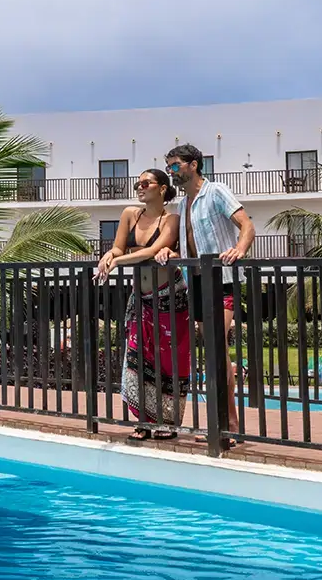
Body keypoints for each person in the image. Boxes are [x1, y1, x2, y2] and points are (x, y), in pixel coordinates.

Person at [155, 144, 256, 450]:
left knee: (214, 348)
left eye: (175, 165)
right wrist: (168, 252)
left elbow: (247, 225)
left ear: (193, 165)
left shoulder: (216, 192)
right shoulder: (184, 203)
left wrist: (239, 249)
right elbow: (190, 245)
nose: (171, 171)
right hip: (195, 283)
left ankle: (227, 424)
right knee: (216, 352)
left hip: (222, 281)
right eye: (168, 166)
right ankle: (227, 422)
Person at [96, 169, 190, 440]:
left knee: (167, 362)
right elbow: (118, 247)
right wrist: (108, 256)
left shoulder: (171, 219)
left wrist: (117, 262)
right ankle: (145, 421)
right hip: (140, 298)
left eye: (145, 183)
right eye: (137, 183)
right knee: (137, 359)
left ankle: (167, 422)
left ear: (161, 188)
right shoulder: (129, 214)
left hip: (170, 297)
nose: (140, 187)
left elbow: (151, 251)